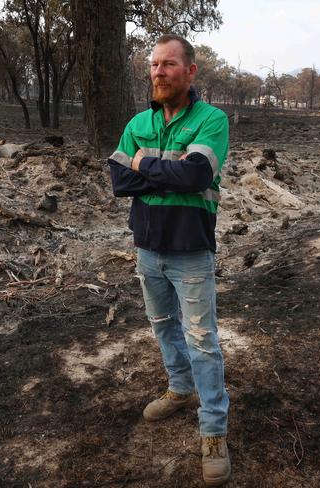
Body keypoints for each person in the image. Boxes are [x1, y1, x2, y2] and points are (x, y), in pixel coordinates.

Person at [108, 34, 231, 486]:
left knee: (203, 342)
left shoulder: (212, 119)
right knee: (163, 326)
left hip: (191, 252)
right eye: (154, 65)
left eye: (169, 64)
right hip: (147, 249)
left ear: (190, 71)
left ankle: (214, 433)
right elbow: (119, 182)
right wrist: (159, 174)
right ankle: (179, 389)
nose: (159, 72)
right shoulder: (138, 122)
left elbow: (197, 173)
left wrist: (144, 166)